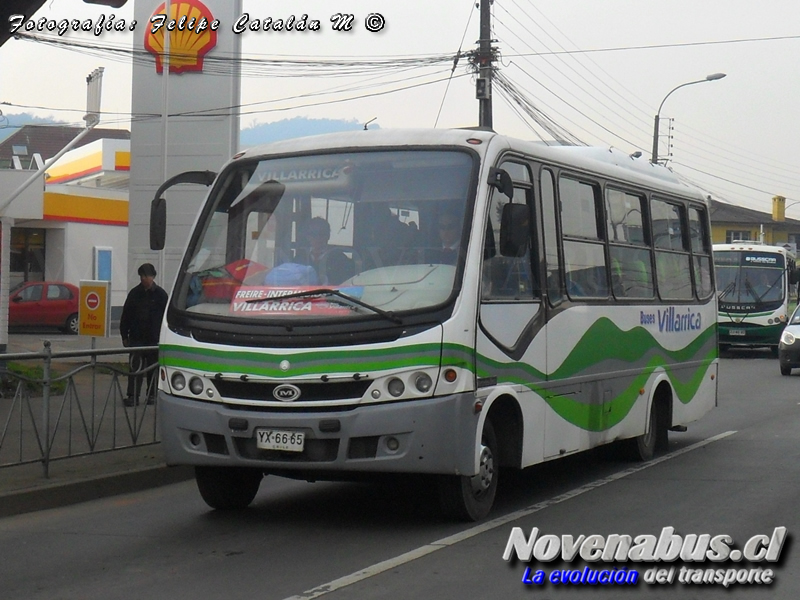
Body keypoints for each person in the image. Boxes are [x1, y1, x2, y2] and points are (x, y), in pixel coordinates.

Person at [119, 263, 168, 407]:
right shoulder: (134, 294)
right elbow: (126, 316)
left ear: (153, 277)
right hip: (137, 338)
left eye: (146, 276)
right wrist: (124, 335)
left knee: (153, 368)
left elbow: (166, 318)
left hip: (154, 339)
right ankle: (133, 396)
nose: (144, 279)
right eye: (142, 276)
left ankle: (152, 395)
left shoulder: (161, 295)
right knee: (135, 368)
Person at [302, 217, 354, 285]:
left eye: (322, 234)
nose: (317, 238)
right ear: (307, 236)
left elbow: (346, 285)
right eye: (313, 234)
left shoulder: (340, 258)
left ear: (328, 235)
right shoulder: (300, 257)